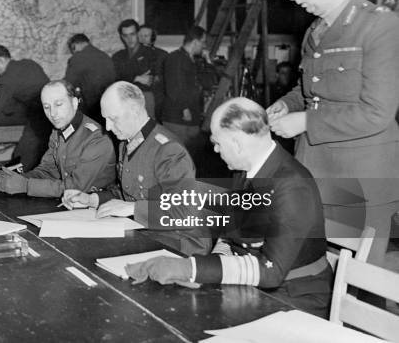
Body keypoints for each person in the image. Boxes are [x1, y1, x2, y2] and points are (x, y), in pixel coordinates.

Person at [126, 98, 332, 318]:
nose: (215, 150)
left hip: (294, 297)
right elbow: (229, 238)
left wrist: (190, 268)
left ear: (237, 144)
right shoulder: (245, 171)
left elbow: (271, 271)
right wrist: (203, 272)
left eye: (217, 143)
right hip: (254, 288)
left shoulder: (292, 184)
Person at [267, 0, 399, 269]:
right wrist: (286, 104)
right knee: (316, 273)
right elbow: (307, 87)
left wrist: (305, 122)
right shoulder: (316, 31)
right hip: (316, 174)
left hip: (360, 180)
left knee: (358, 289)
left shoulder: (380, 26)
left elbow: (377, 112)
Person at [62, 81, 209, 255]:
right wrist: (91, 199)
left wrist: (132, 209)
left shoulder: (168, 150)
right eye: (105, 119)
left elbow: (184, 211)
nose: (107, 127)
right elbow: (128, 192)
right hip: (147, 231)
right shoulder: (127, 142)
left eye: (113, 119)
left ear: (134, 110)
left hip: (179, 243)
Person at [0, 80, 116, 197]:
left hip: (97, 208)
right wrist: (17, 179)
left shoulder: (97, 138)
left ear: (74, 103)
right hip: (70, 205)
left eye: (58, 105)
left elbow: (77, 188)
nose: (52, 113)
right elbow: (48, 171)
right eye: (47, 107)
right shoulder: (59, 131)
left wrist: (26, 185)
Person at [161, 25, 216, 149]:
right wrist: (184, 108)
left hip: (193, 117)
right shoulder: (175, 58)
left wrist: (208, 61)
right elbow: (174, 88)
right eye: (203, 42)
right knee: (179, 155)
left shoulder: (195, 61)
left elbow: (209, 82)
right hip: (177, 117)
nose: (204, 46)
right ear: (195, 41)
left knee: (192, 155)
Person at [64, 34, 115, 123]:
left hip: (94, 110)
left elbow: (67, 85)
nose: (73, 53)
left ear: (75, 45)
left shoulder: (78, 57)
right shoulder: (104, 56)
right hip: (112, 105)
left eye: (73, 49)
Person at [112, 19, 157, 118]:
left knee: (147, 131)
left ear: (138, 34)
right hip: (124, 101)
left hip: (144, 99)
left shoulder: (150, 53)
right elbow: (114, 79)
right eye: (125, 35)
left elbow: (150, 80)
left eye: (132, 34)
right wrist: (137, 78)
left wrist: (127, 76)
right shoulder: (118, 56)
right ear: (122, 37)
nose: (129, 39)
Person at [138, 25, 168, 121]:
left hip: (156, 97)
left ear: (152, 38)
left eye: (146, 36)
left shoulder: (162, 55)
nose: (142, 39)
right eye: (140, 35)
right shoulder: (129, 55)